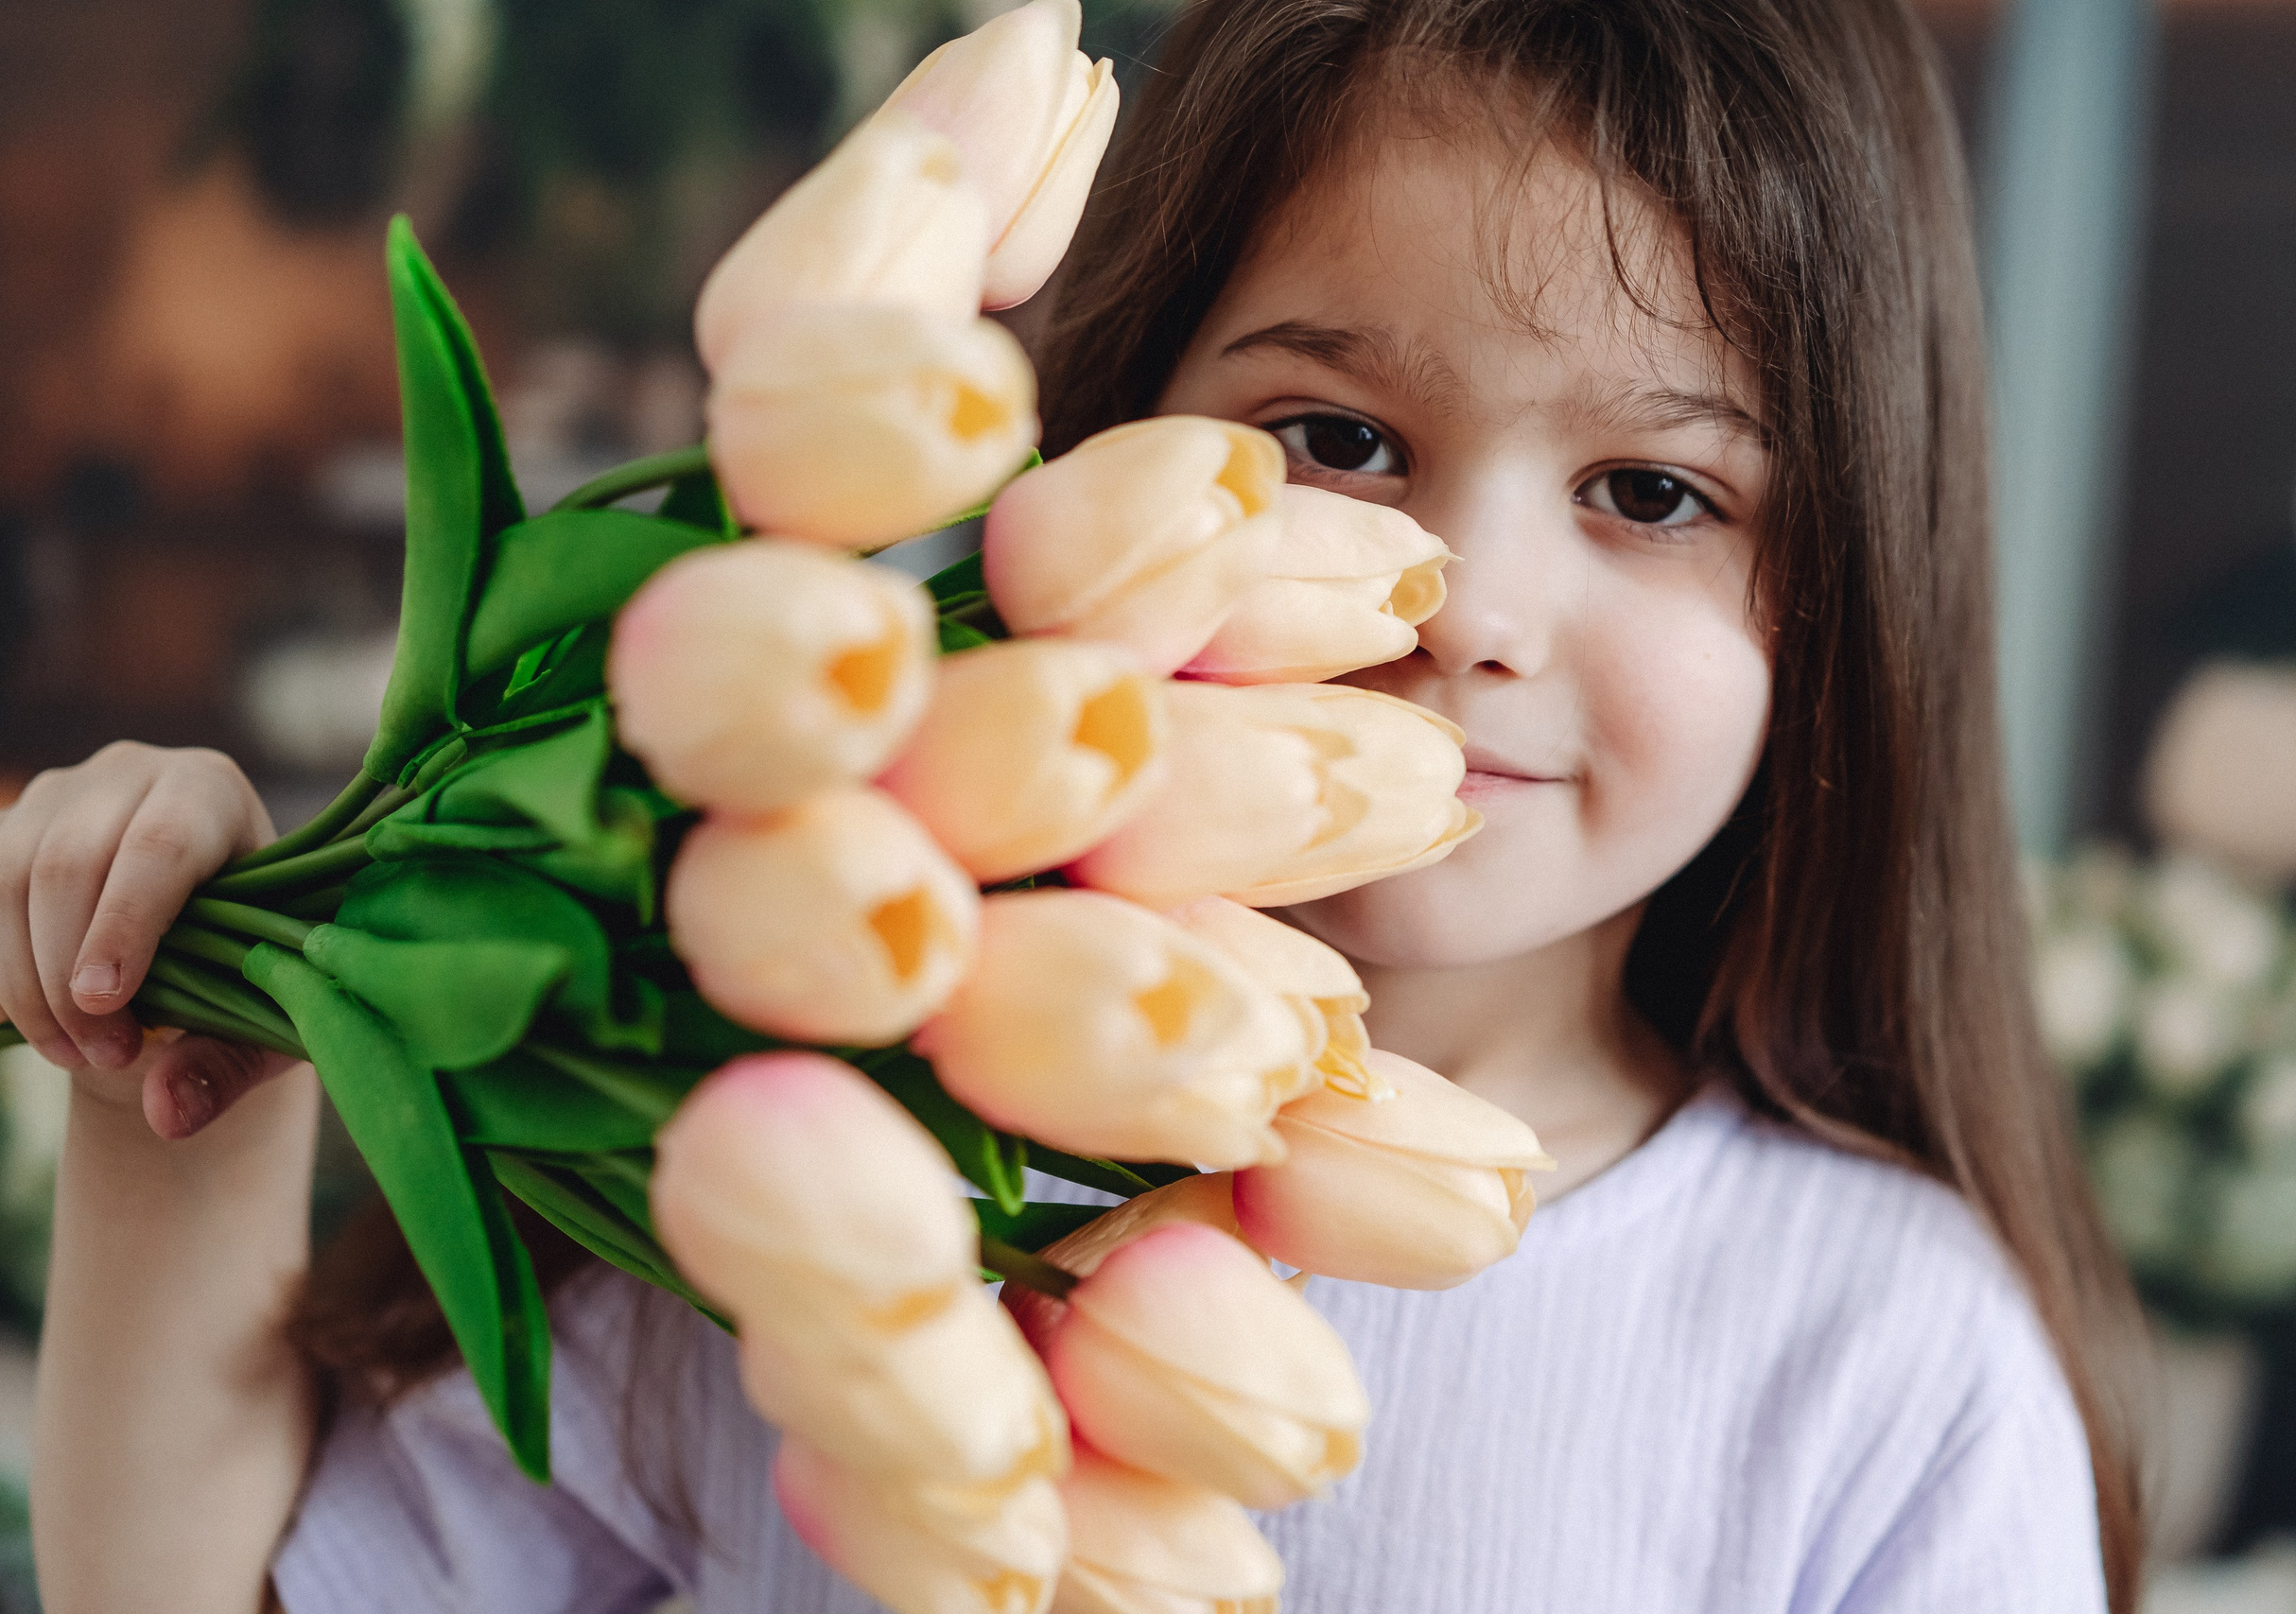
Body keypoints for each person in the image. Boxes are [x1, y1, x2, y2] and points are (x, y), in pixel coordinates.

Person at [2, 0, 2149, 1609]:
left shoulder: (1871, 1354)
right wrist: (193, 1069)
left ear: (1845, 582)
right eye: (1334, 438)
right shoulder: (779, 1142)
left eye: (1652, 490)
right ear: (1098, 447)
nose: (1465, 605)